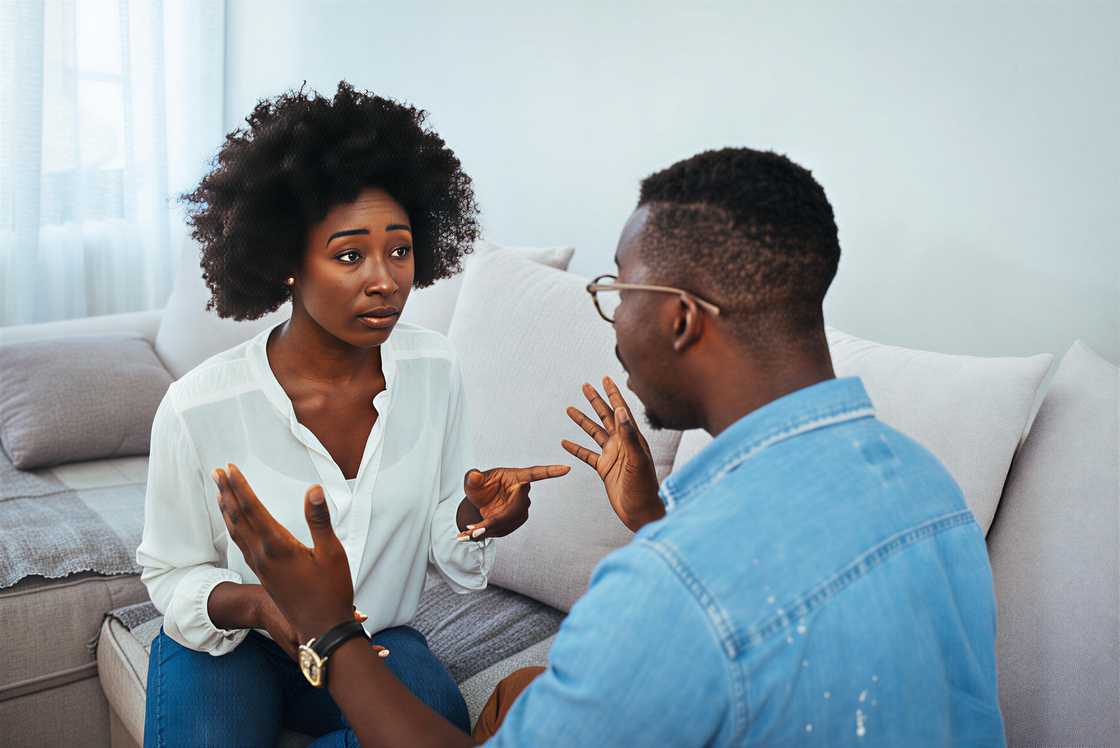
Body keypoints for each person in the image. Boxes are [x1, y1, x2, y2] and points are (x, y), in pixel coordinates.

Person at [212, 147, 1007, 746]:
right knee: (523, 691)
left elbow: (712, 608)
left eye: (619, 288)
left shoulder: (671, 587)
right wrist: (655, 518)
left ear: (681, 318)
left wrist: (331, 628)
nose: (613, 315)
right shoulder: (928, 487)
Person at [136, 82, 568, 747]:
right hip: (238, 642)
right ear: (288, 261)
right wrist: (264, 605)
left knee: (437, 728)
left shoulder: (434, 369)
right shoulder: (199, 405)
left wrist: (476, 518)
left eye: (399, 250)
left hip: (373, 640)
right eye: (349, 255)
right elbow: (171, 571)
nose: (385, 279)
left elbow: (445, 531)